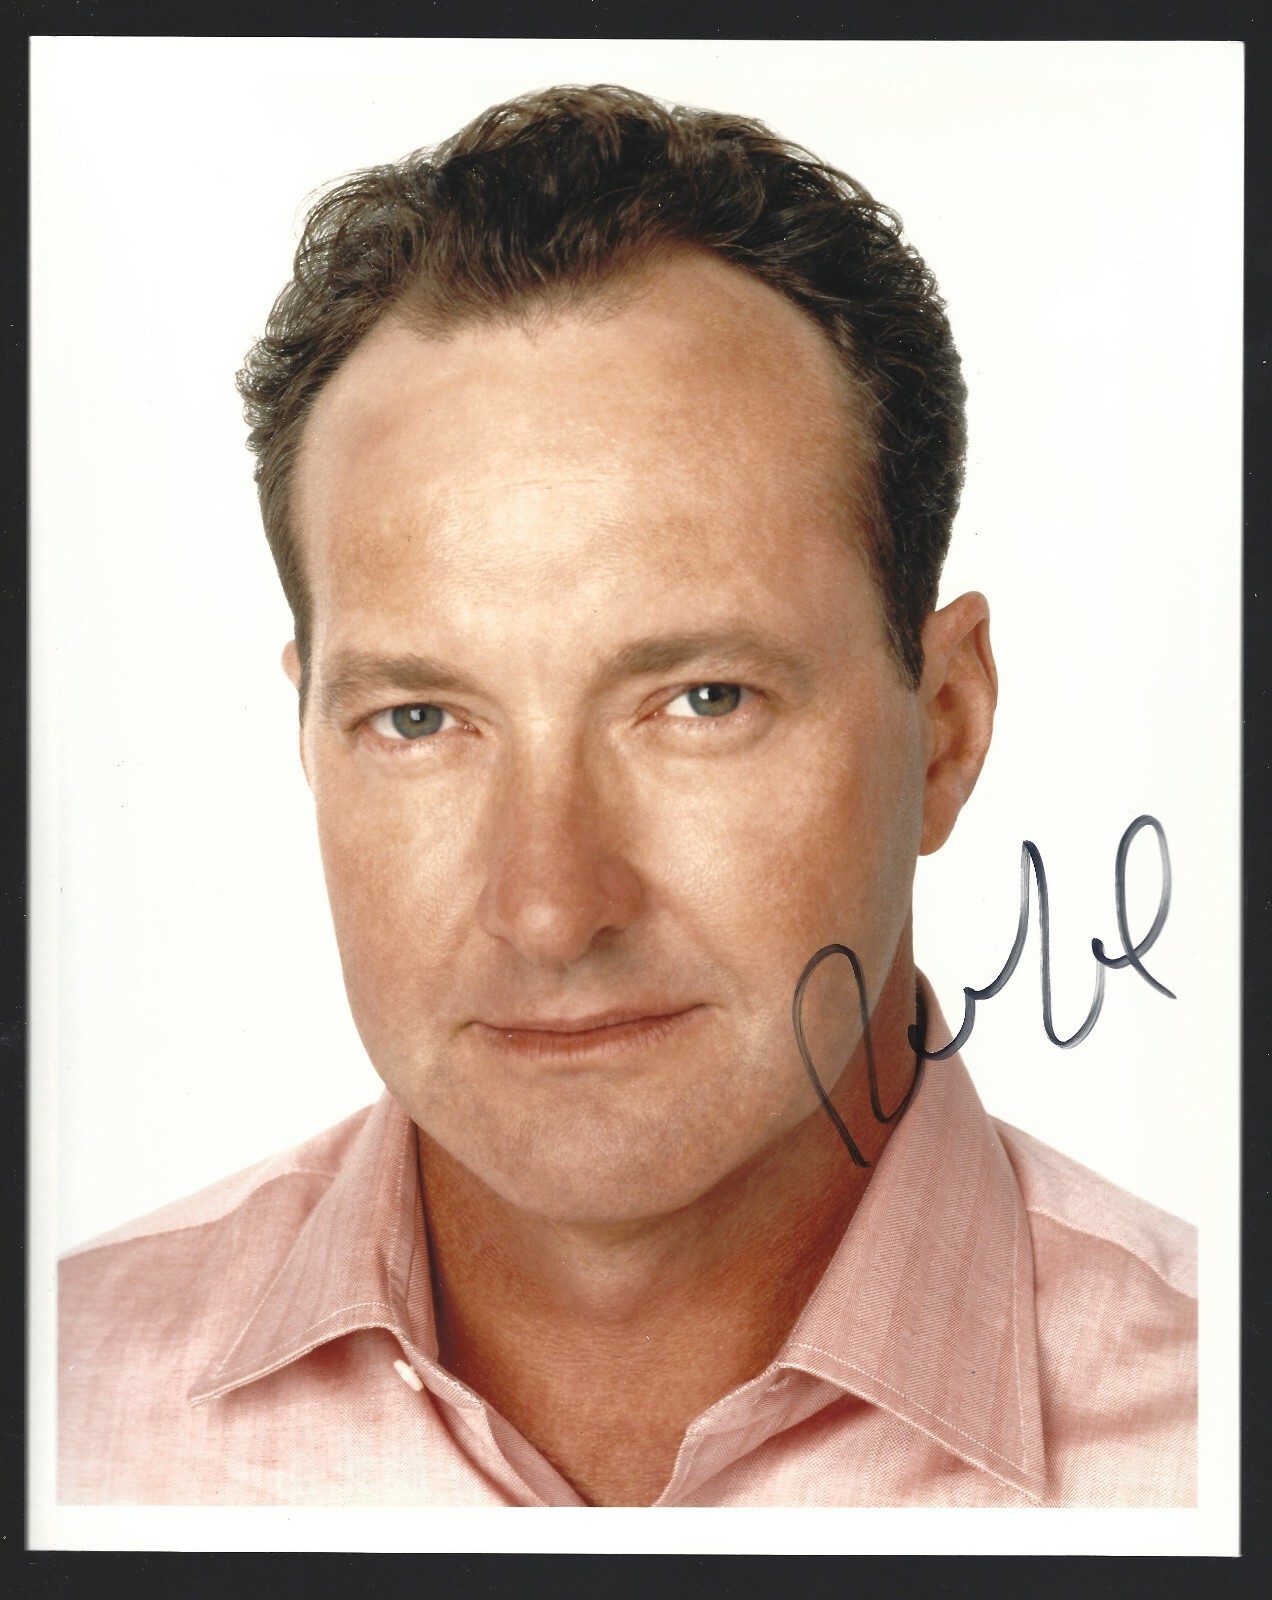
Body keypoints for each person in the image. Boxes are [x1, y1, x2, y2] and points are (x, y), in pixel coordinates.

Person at [58, 84, 1196, 1508]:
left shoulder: (1212, 1440)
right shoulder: (61, 1416)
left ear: (946, 730)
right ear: (308, 735)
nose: (550, 908)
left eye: (703, 700)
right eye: (420, 718)